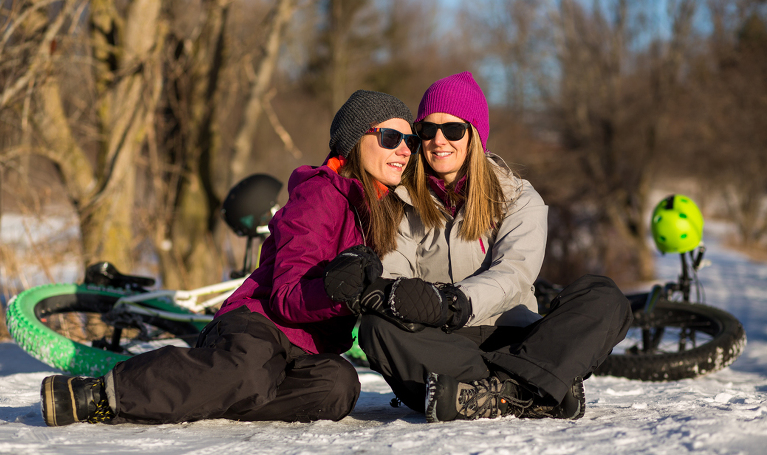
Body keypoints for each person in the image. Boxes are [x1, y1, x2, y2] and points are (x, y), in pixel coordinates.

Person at [40, 90, 421, 426]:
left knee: (338, 386)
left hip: (310, 349)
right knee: (248, 373)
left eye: (410, 140)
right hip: (259, 324)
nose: (404, 149)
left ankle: (206, 395)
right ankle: (103, 395)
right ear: (354, 141)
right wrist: (337, 290)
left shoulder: (385, 212)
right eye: (390, 137)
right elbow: (286, 297)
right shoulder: (321, 195)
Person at [328, 71, 633, 423]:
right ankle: (533, 389)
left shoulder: (519, 197)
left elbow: (514, 274)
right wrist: (384, 291)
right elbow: (395, 274)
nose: (439, 141)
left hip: (517, 338)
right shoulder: (400, 201)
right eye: (427, 129)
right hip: (444, 345)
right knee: (376, 329)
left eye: (453, 130)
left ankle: (482, 394)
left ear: (474, 134)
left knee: (605, 297)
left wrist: (453, 303)